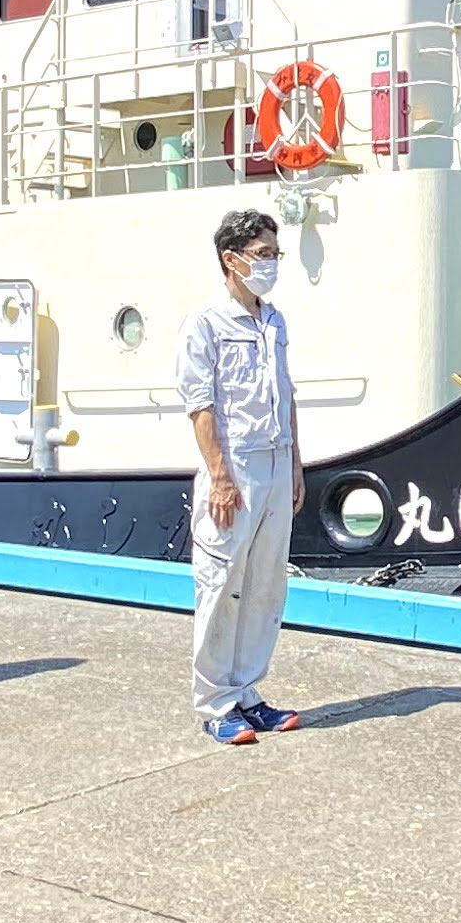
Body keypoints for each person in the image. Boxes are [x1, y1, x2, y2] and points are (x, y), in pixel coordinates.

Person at [178, 205, 306, 745]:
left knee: (265, 584)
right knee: (221, 582)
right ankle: (214, 702)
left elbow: (287, 392)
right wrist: (220, 476)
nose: (272, 264)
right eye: (262, 255)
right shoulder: (205, 323)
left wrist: (297, 463)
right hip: (234, 466)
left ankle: (249, 691)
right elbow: (200, 404)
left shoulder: (273, 321)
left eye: (276, 254)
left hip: (276, 461)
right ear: (231, 260)